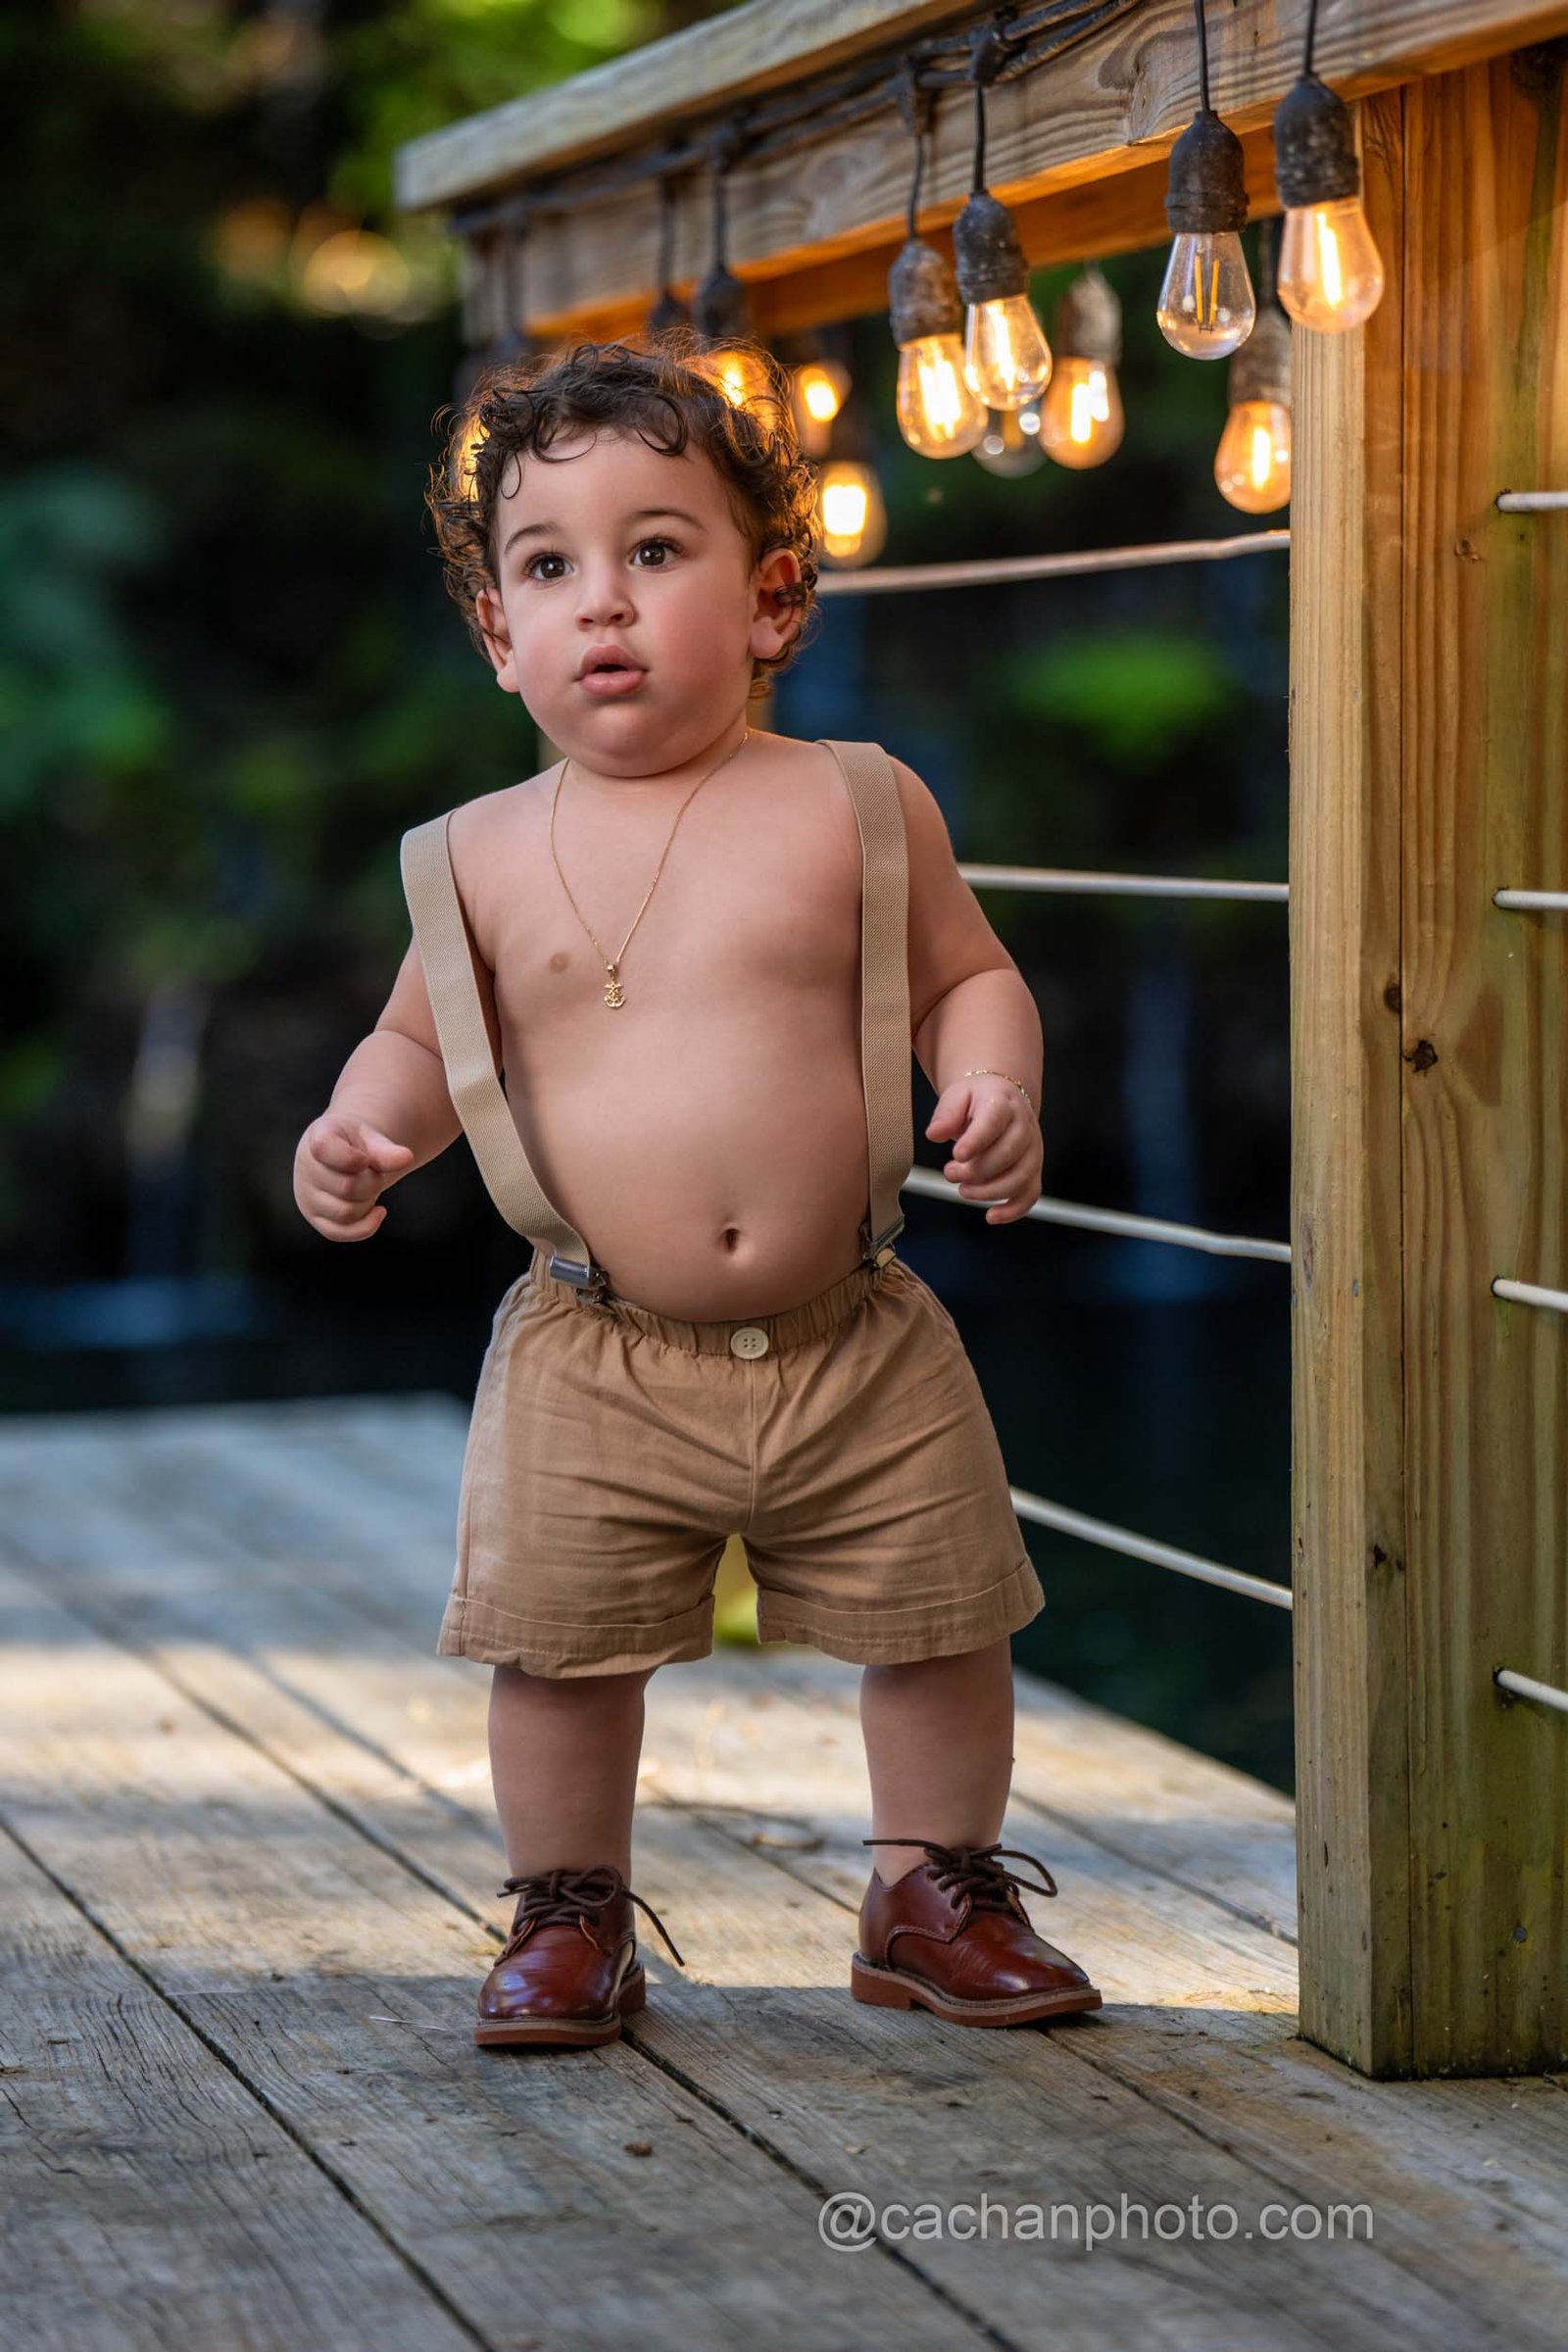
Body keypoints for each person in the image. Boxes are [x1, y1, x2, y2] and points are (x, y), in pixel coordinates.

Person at [292, 329, 1101, 2049]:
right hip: (592, 1348)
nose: (603, 601)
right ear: (498, 635)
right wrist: (359, 1131)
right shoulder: (475, 855)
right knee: (561, 1652)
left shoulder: (854, 804)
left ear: (773, 601)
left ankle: (930, 1890)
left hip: (855, 1330)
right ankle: (568, 1907)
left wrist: (992, 1080)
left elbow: (970, 975)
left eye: (655, 551)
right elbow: (415, 1044)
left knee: (942, 1621)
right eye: (548, 568)